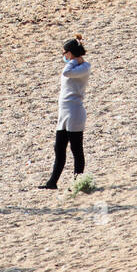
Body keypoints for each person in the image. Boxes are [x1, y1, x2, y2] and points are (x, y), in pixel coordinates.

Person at [38, 38, 90, 189]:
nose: (64, 55)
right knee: (59, 147)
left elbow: (67, 72)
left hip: (75, 111)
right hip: (64, 111)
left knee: (76, 148)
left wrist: (74, 60)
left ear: (71, 53)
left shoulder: (84, 67)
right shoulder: (74, 65)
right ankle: (52, 182)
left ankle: (77, 182)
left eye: (66, 52)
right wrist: (73, 59)